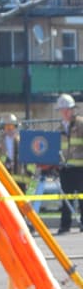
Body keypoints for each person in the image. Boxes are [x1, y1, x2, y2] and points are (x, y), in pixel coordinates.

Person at [54, 94, 83, 234]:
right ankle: (65, 226)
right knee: (66, 199)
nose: (65, 112)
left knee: (82, 197)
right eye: (63, 109)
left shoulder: (81, 124)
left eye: (68, 109)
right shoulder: (59, 128)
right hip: (65, 169)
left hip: (80, 168)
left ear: (72, 110)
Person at [0, 113, 32, 192]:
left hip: (21, 178)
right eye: (7, 127)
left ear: (15, 127)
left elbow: (30, 159)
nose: (9, 129)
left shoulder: (22, 141)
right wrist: (5, 161)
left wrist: (29, 174)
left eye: (11, 126)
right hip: (6, 177)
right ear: (3, 128)